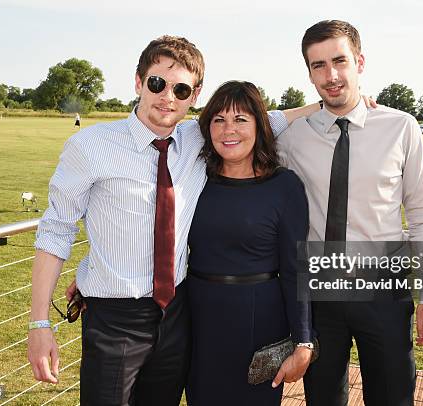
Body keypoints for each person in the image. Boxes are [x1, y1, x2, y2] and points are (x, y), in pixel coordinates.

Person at [28, 35, 317, 406]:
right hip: (116, 318)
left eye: (181, 89)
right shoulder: (90, 147)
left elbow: (265, 120)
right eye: (157, 83)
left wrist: (334, 104)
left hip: (179, 314)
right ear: (138, 82)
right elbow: (56, 231)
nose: (168, 97)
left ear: (194, 96)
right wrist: (39, 323)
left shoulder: (198, 137)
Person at [277, 20, 423, 406]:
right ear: (308, 72)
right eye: (318, 65)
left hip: (383, 291)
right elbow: (243, 125)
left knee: (392, 397)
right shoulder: (292, 135)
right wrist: (307, 109)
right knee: (322, 399)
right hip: (318, 293)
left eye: (340, 61)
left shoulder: (402, 127)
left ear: (360, 61)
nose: (331, 75)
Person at [185, 81, 314, 406]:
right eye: (219, 120)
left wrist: (303, 341)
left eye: (241, 119)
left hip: (259, 323)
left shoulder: (284, 186)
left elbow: (296, 268)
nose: (229, 130)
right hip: (198, 320)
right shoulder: (194, 177)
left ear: (260, 125)